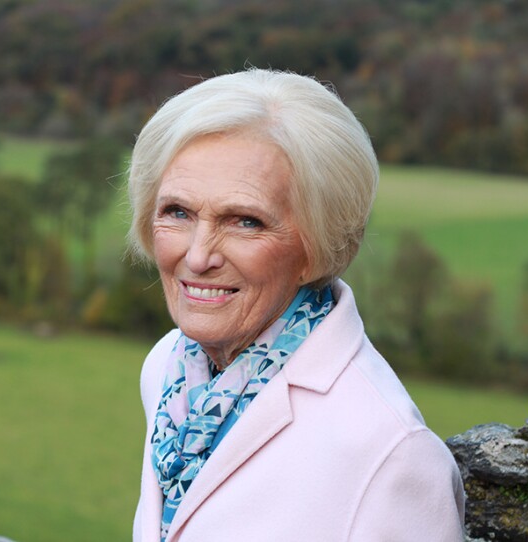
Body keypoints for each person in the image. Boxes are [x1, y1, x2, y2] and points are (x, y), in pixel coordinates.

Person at [127, 69, 465, 542]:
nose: (198, 255)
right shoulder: (168, 365)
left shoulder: (392, 456)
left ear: (316, 247)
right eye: (177, 212)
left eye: (245, 221)